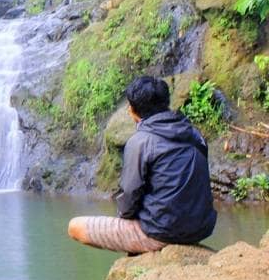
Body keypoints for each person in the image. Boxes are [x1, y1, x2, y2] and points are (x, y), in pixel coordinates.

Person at [67, 76, 217, 254]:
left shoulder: (141, 142)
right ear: (166, 103)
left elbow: (129, 197)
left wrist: (126, 220)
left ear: (132, 110)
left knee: (75, 226)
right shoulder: (194, 133)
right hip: (201, 229)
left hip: (162, 233)